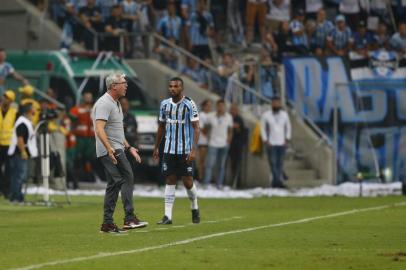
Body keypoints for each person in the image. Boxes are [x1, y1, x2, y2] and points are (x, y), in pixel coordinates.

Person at [92, 73, 148, 233]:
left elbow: (117, 131)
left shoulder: (115, 103)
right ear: (114, 85)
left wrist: (129, 147)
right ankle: (129, 218)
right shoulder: (104, 103)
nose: (126, 85)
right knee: (126, 177)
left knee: (114, 184)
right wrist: (109, 148)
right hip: (111, 149)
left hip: (116, 147)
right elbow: (99, 129)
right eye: (124, 83)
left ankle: (107, 223)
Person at [153, 77, 200, 225]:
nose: (173, 88)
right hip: (169, 149)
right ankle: (167, 216)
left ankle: (194, 207)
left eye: (176, 86)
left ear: (182, 88)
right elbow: (161, 126)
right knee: (170, 179)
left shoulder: (189, 104)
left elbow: (196, 127)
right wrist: (156, 147)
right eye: (171, 86)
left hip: (185, 150)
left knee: (187, 181)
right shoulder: (164, 105)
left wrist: (193, 150)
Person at [7, 103, 38, 203]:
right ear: (29, 110)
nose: (35, 110)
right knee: (19, 176)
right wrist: (23, 152)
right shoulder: (22, 122)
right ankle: (16, 197)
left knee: (18, 176)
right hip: (18, 154)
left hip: (18, 153)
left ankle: (17, 196)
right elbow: (20, 139)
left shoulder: (26, 121)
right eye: (33, 108)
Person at [260, 96, 291, 188]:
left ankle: (276, 182)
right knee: (272, 163)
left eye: (278, 103)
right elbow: (262, 128)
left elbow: (288, 127)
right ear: (271, 104)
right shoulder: (266, 115)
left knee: (280, 163)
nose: (276, 104)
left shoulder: (284, 115)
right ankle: (279, 181)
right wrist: (265, 140)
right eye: (274, 103)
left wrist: (287, 139)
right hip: (271, 143)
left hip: (281, 142)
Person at [203, 99, 233, 188]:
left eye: (222, 106)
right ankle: (206, 183)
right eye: (219, 106)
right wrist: (207, 138)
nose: (221, 108)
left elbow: (230, 130)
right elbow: (205, 128)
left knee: (221, 165)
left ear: (225, 107)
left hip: (224, 144)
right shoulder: (211, 116)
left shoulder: (229, 117)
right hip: (213, 143)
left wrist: (229, 140)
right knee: (210, 164)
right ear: (217, 106)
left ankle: (219, 184)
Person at [0, 90, 17, 198]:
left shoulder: (14, 112)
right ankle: (2, 188)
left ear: (11, 101)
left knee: (9, 169)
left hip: (9, 144)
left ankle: (6, 190)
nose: (4, 99)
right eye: (4, 96)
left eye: (7, 97)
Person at [228, 103, 244, 188]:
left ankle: (238, 182)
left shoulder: (239, 118)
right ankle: (233, 180)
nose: (233, 111)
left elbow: (238, 127)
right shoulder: (228, 117)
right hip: (230, 145)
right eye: (231, 109)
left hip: (238, 145)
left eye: (234, 109)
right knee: (232, 164)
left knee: (238, 164)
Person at [197, 99, 211, 182]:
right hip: (203, 141)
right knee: (202, 161)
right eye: (207, 106)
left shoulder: (212, 115)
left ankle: (205, 178)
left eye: (210, 106)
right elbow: (203, 130)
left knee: (207, 162)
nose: (209, 107)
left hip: (211, 141)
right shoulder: (201, 115)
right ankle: (200, 177)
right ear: (204, 106)